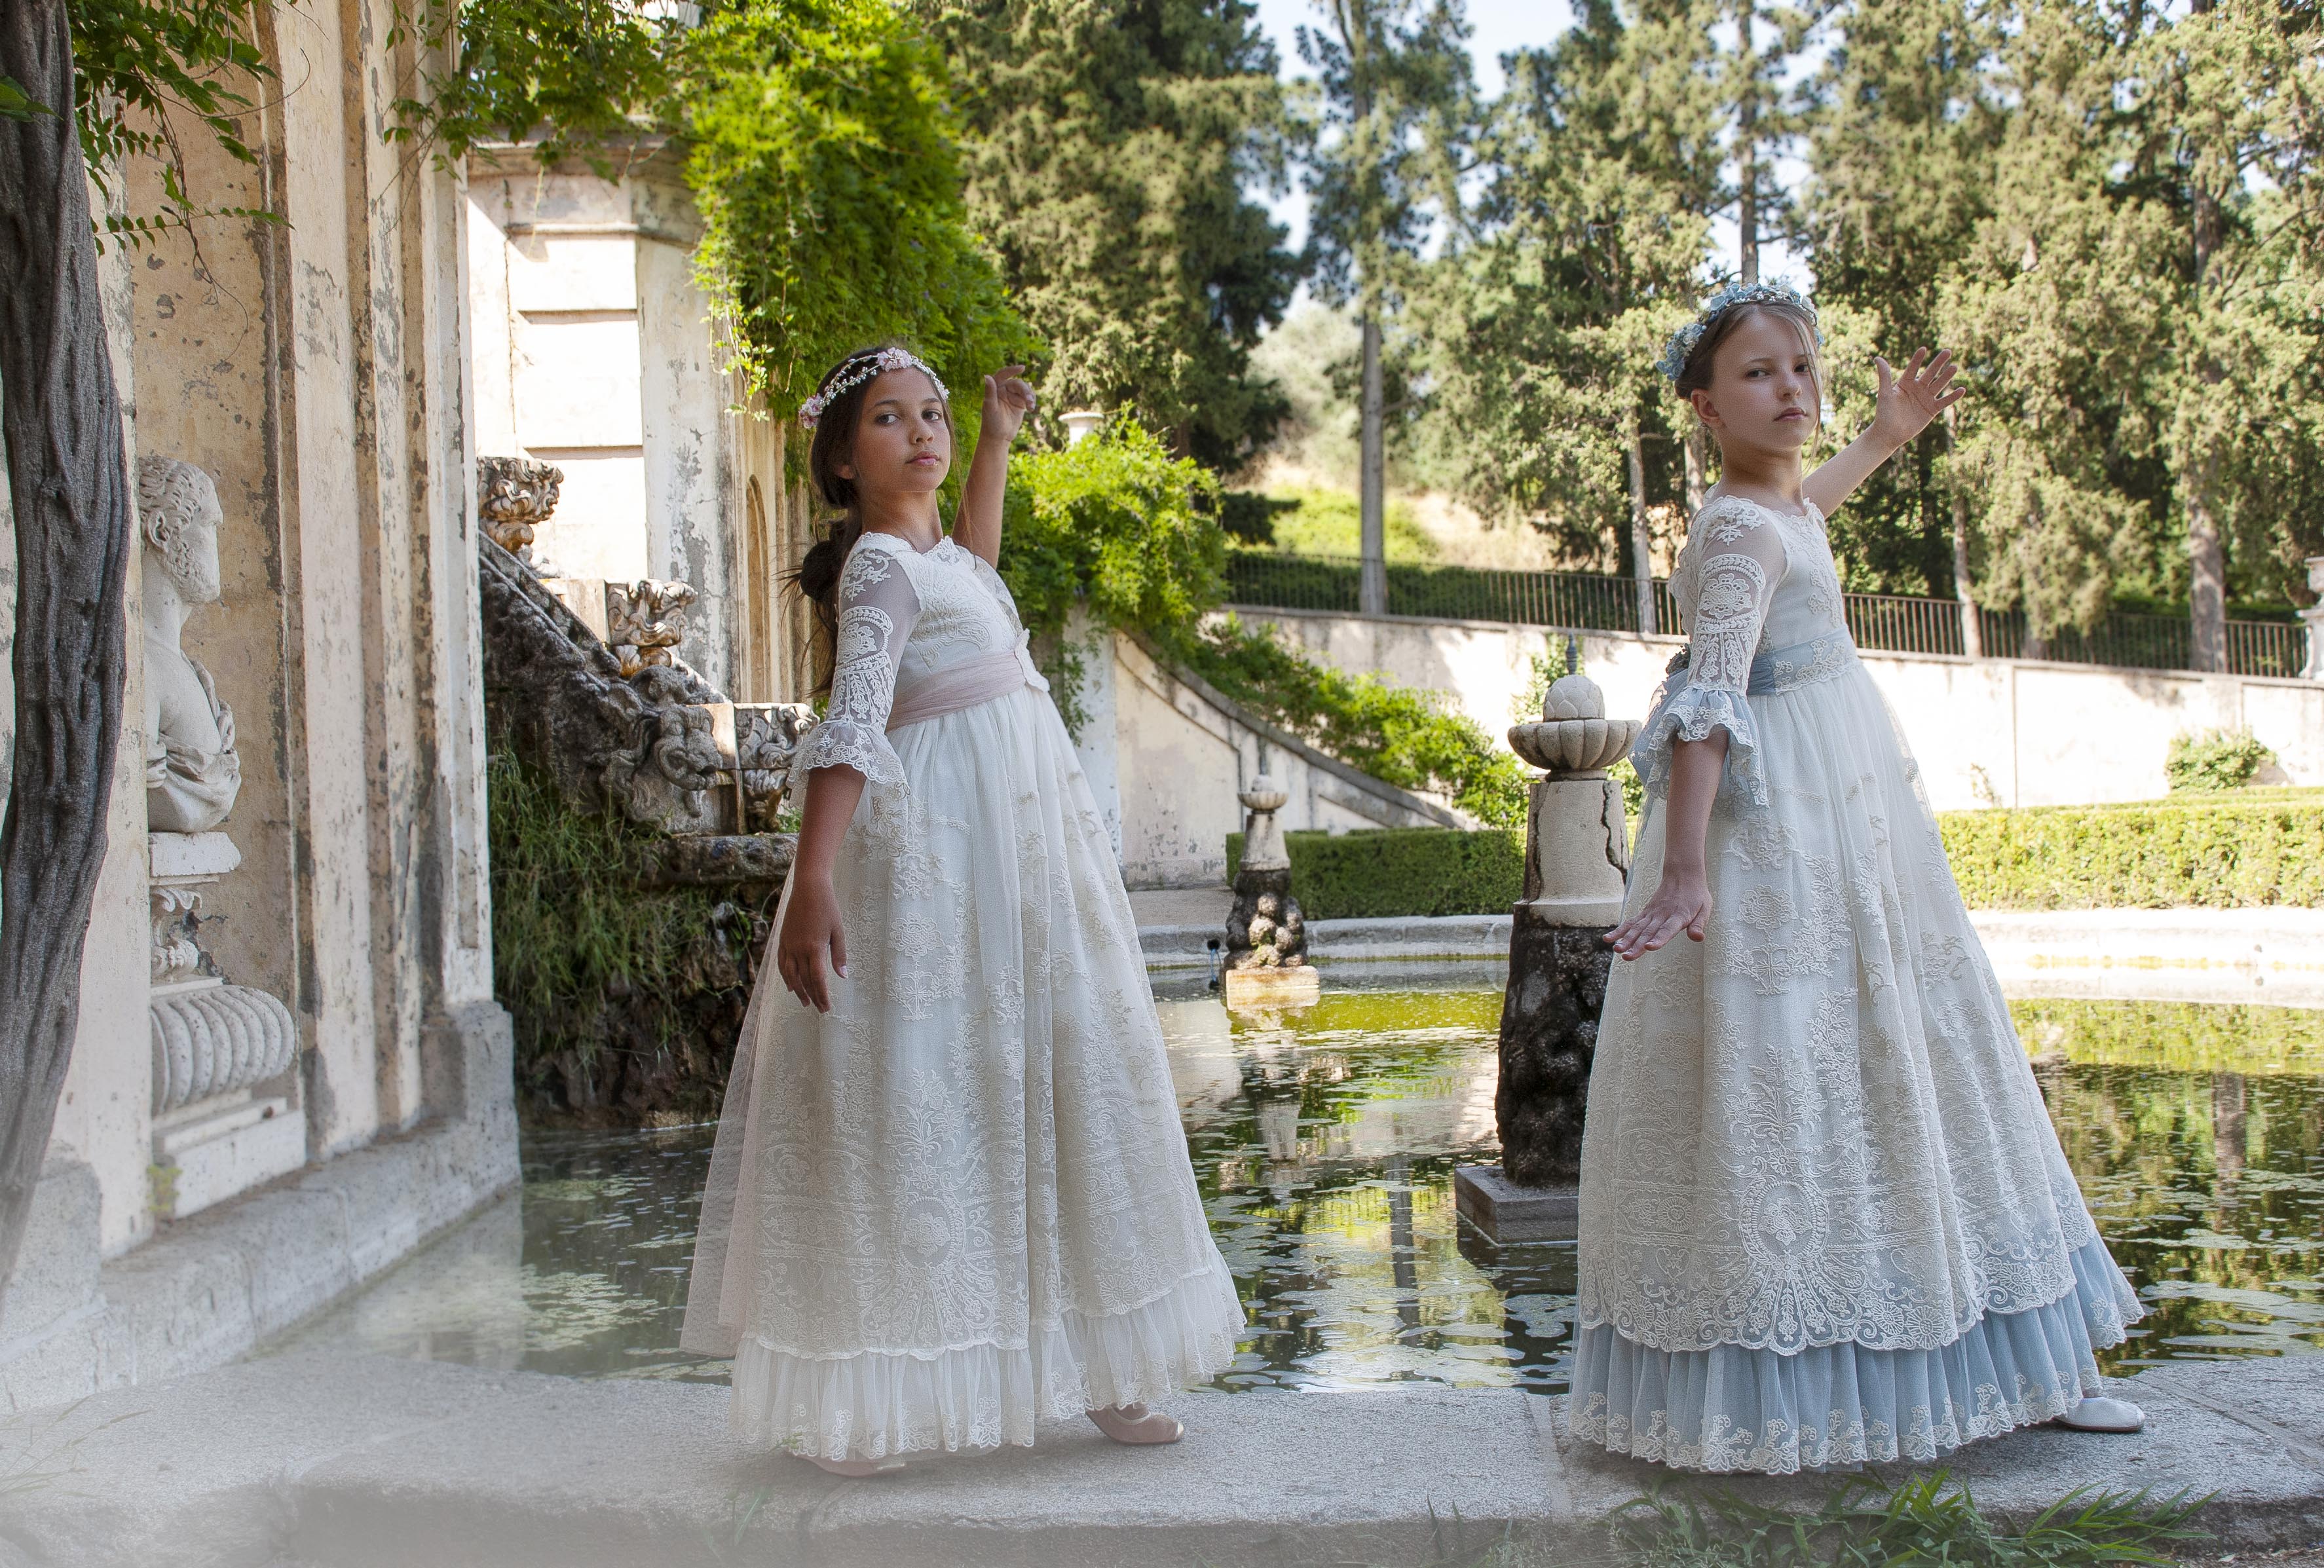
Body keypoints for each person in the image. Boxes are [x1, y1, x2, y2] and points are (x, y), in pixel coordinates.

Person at [1571, 283, 2147, 1473]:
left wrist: (1885, 438)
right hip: (1782, 842)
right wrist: (1685, 868)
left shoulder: (1774, 511)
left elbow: (1806, 522)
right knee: (1814, 1080)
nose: (1791, 388)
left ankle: (2011, 1363)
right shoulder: (1738, 532)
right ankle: (1827, 1384)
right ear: (1704, 407)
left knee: (1912, 1066)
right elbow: (1707, 702)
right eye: (1758, 373)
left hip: (1844, 826)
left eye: (1801, 365)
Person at [681, 346, 1244, 1476]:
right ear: (844, 459)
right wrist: (813, 880)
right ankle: (876, 1393)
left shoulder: (946, 563)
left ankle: (1105, 1361)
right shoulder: (879, 569)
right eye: (891, 419)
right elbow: (852, 724)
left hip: (1023, 861)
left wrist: (997, 435)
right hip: (939, 855)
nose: (921, 432)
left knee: (1069, 1074)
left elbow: (979, 560)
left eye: (930, 414)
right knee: (926, 1094)